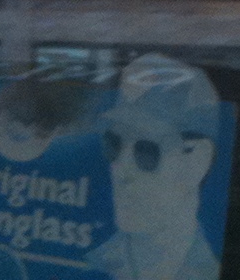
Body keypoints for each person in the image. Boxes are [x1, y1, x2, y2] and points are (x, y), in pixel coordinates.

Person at [85, 54, 223, 280]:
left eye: (146, 151)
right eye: (113, 144)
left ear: (196, 162)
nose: (120, 170)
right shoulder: (86, 265)